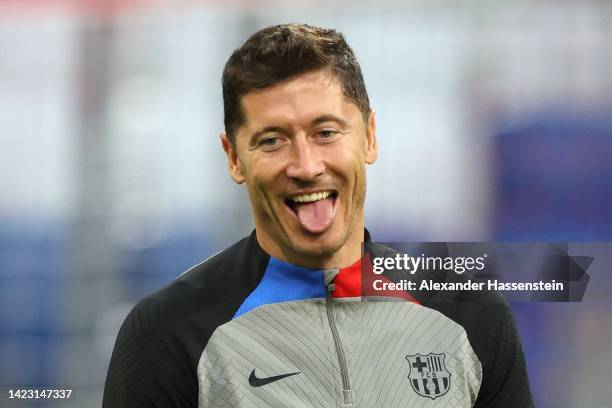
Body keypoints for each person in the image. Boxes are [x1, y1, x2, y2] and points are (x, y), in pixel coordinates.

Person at [103, 23, 534, 407]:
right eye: (272, 141)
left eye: (325, 133)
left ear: (369, 136)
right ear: (234, 157)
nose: (306, 166)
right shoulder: (167, 332)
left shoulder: (468, 313)